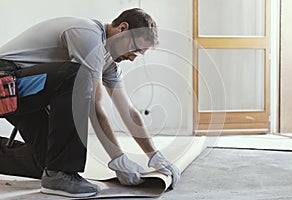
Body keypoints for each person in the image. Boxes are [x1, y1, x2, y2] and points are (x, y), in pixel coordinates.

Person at [0, 8, 180, 198]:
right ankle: (61, 174)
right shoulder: (88, 35)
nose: (133, 57)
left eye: (140, 54)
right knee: (77, 76)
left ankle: (55, 171)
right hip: (5, 83)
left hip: (24, 92)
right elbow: (95, 106)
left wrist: (154, 155)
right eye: (135, 49)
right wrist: (117, 158)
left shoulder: (109, 61)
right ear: (123, 29)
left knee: (47, 161)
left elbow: (128, 111)